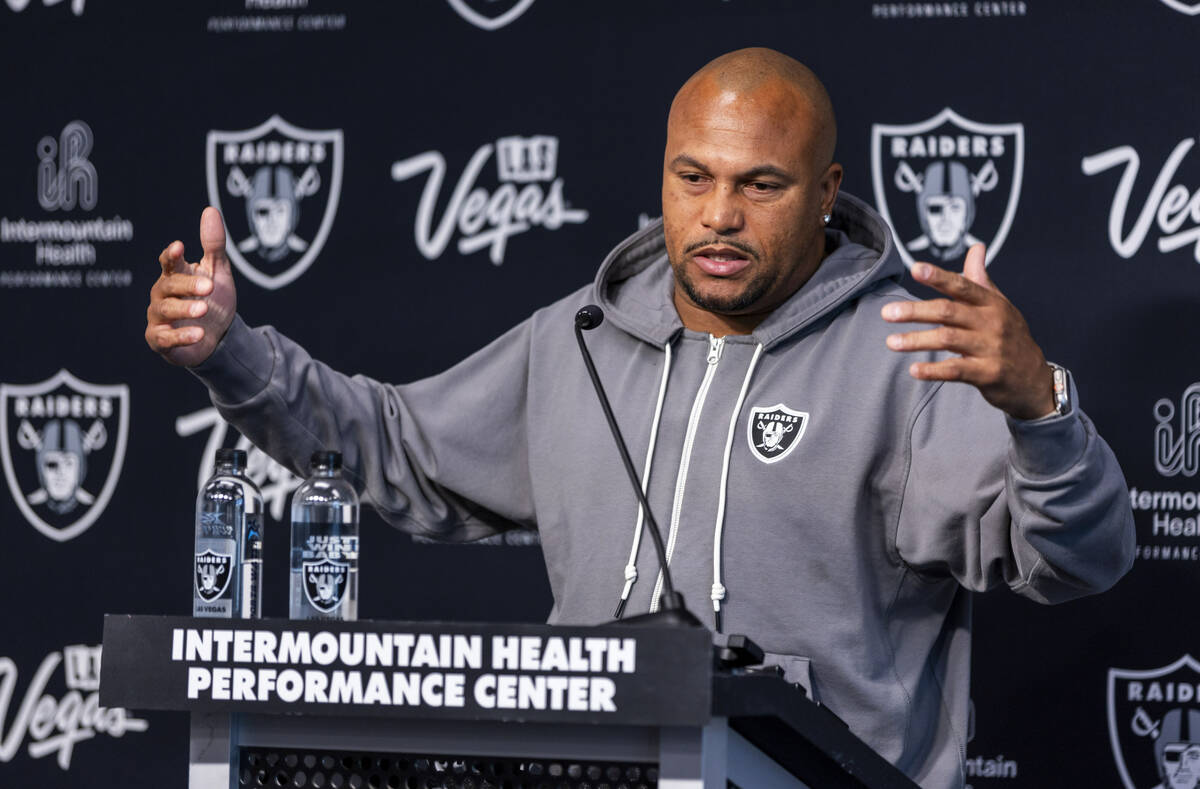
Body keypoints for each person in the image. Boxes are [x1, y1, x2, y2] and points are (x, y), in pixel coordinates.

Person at [145, 48, 1135, 788]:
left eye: (760, 185)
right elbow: (397, 446)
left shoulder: (908, 354)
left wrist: (1037, 410)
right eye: (692, 177)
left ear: (827, 192)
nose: (718, 216)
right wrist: (231, 354)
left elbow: (1077, 559)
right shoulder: (578, 336)